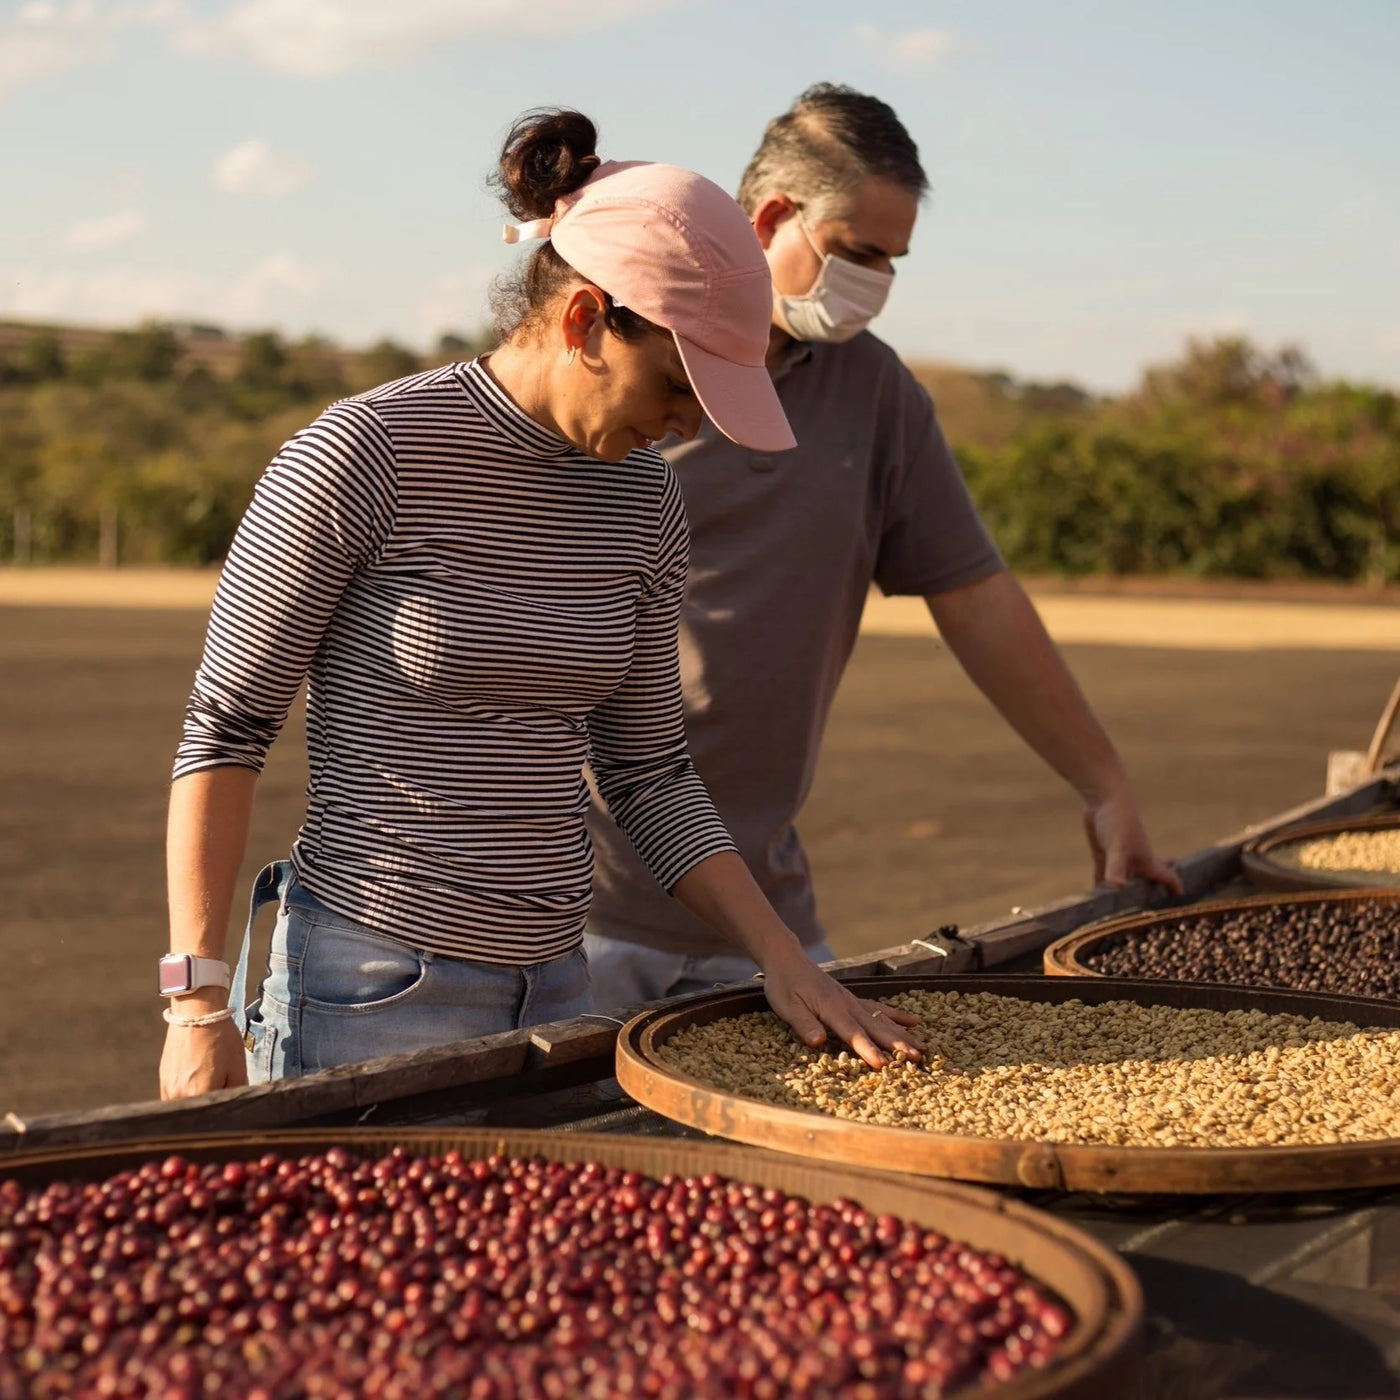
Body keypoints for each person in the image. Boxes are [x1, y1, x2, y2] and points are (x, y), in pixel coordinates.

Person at [158, 107, 921, 1102]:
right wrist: (197, 1002)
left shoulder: (646, 498)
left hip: (561, 990)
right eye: (677, 384)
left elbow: (648, 772)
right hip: (367, 988)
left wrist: (781, 956)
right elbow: (225, 730)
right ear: (582, 321)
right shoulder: (361, 457)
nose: (687, 423)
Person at [584, 84, 1183, 1008]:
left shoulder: (876, 393)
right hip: (573, 910)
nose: (876, 284)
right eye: (859, 253)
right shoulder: (635, 362)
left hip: (763, 911)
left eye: (893, 262)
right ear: (775, 216)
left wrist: (1103, 783)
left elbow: (976, 598)